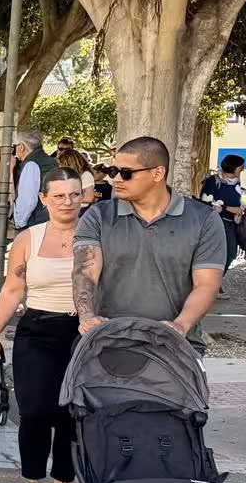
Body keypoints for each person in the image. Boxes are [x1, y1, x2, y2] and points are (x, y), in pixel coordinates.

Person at [0, 168, 86, 483]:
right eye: (59, 195)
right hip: (37, 329)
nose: (68, 202)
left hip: (83, 332)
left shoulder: (95, 235)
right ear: (44, 199)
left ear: (83, 196)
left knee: (71, 413)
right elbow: (13, 290)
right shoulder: (29, 238)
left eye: (74, 194)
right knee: (36, 411)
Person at [74, 136, 226, 353]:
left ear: (157, 173)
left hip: (175, 345)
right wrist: (87, 317)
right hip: (107, 342)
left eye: (126, 173)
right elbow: (85, 272)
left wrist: (180, 325)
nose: (116, 179)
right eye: (112, 171)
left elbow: (207, 284)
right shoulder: (98, 216)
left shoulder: (204, 219)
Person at [200, 154, 246, 282]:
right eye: (241, 166)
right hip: (216, 223)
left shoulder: (237, 181)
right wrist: (227, 208)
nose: (243, 169)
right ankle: (209, 283)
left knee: (231, 254)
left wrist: (240, 208)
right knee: (215, 255)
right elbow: (205, 203)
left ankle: (215, 282)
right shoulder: (213, 181)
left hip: (232, 223)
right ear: (233, 167)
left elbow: (236, 198)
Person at [11, 129, 58, 229]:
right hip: (51, 218)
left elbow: (28, 201)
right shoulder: (49, 161)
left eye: (14, 147)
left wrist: (19, 223)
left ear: (21, 147)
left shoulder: (31, 164)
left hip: (36, 223)